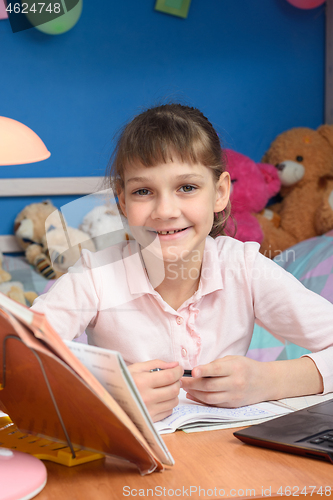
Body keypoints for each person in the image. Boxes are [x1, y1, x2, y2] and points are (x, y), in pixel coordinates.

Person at [31, 103, 333, 423]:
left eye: (186, 187)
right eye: (143, 191)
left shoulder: (243, 267)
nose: (165, 211)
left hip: (226, 461)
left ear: (219, 193)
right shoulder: (94, 276)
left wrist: (268, 381)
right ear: (122, 200)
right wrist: (106, 391)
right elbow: (18, 362)